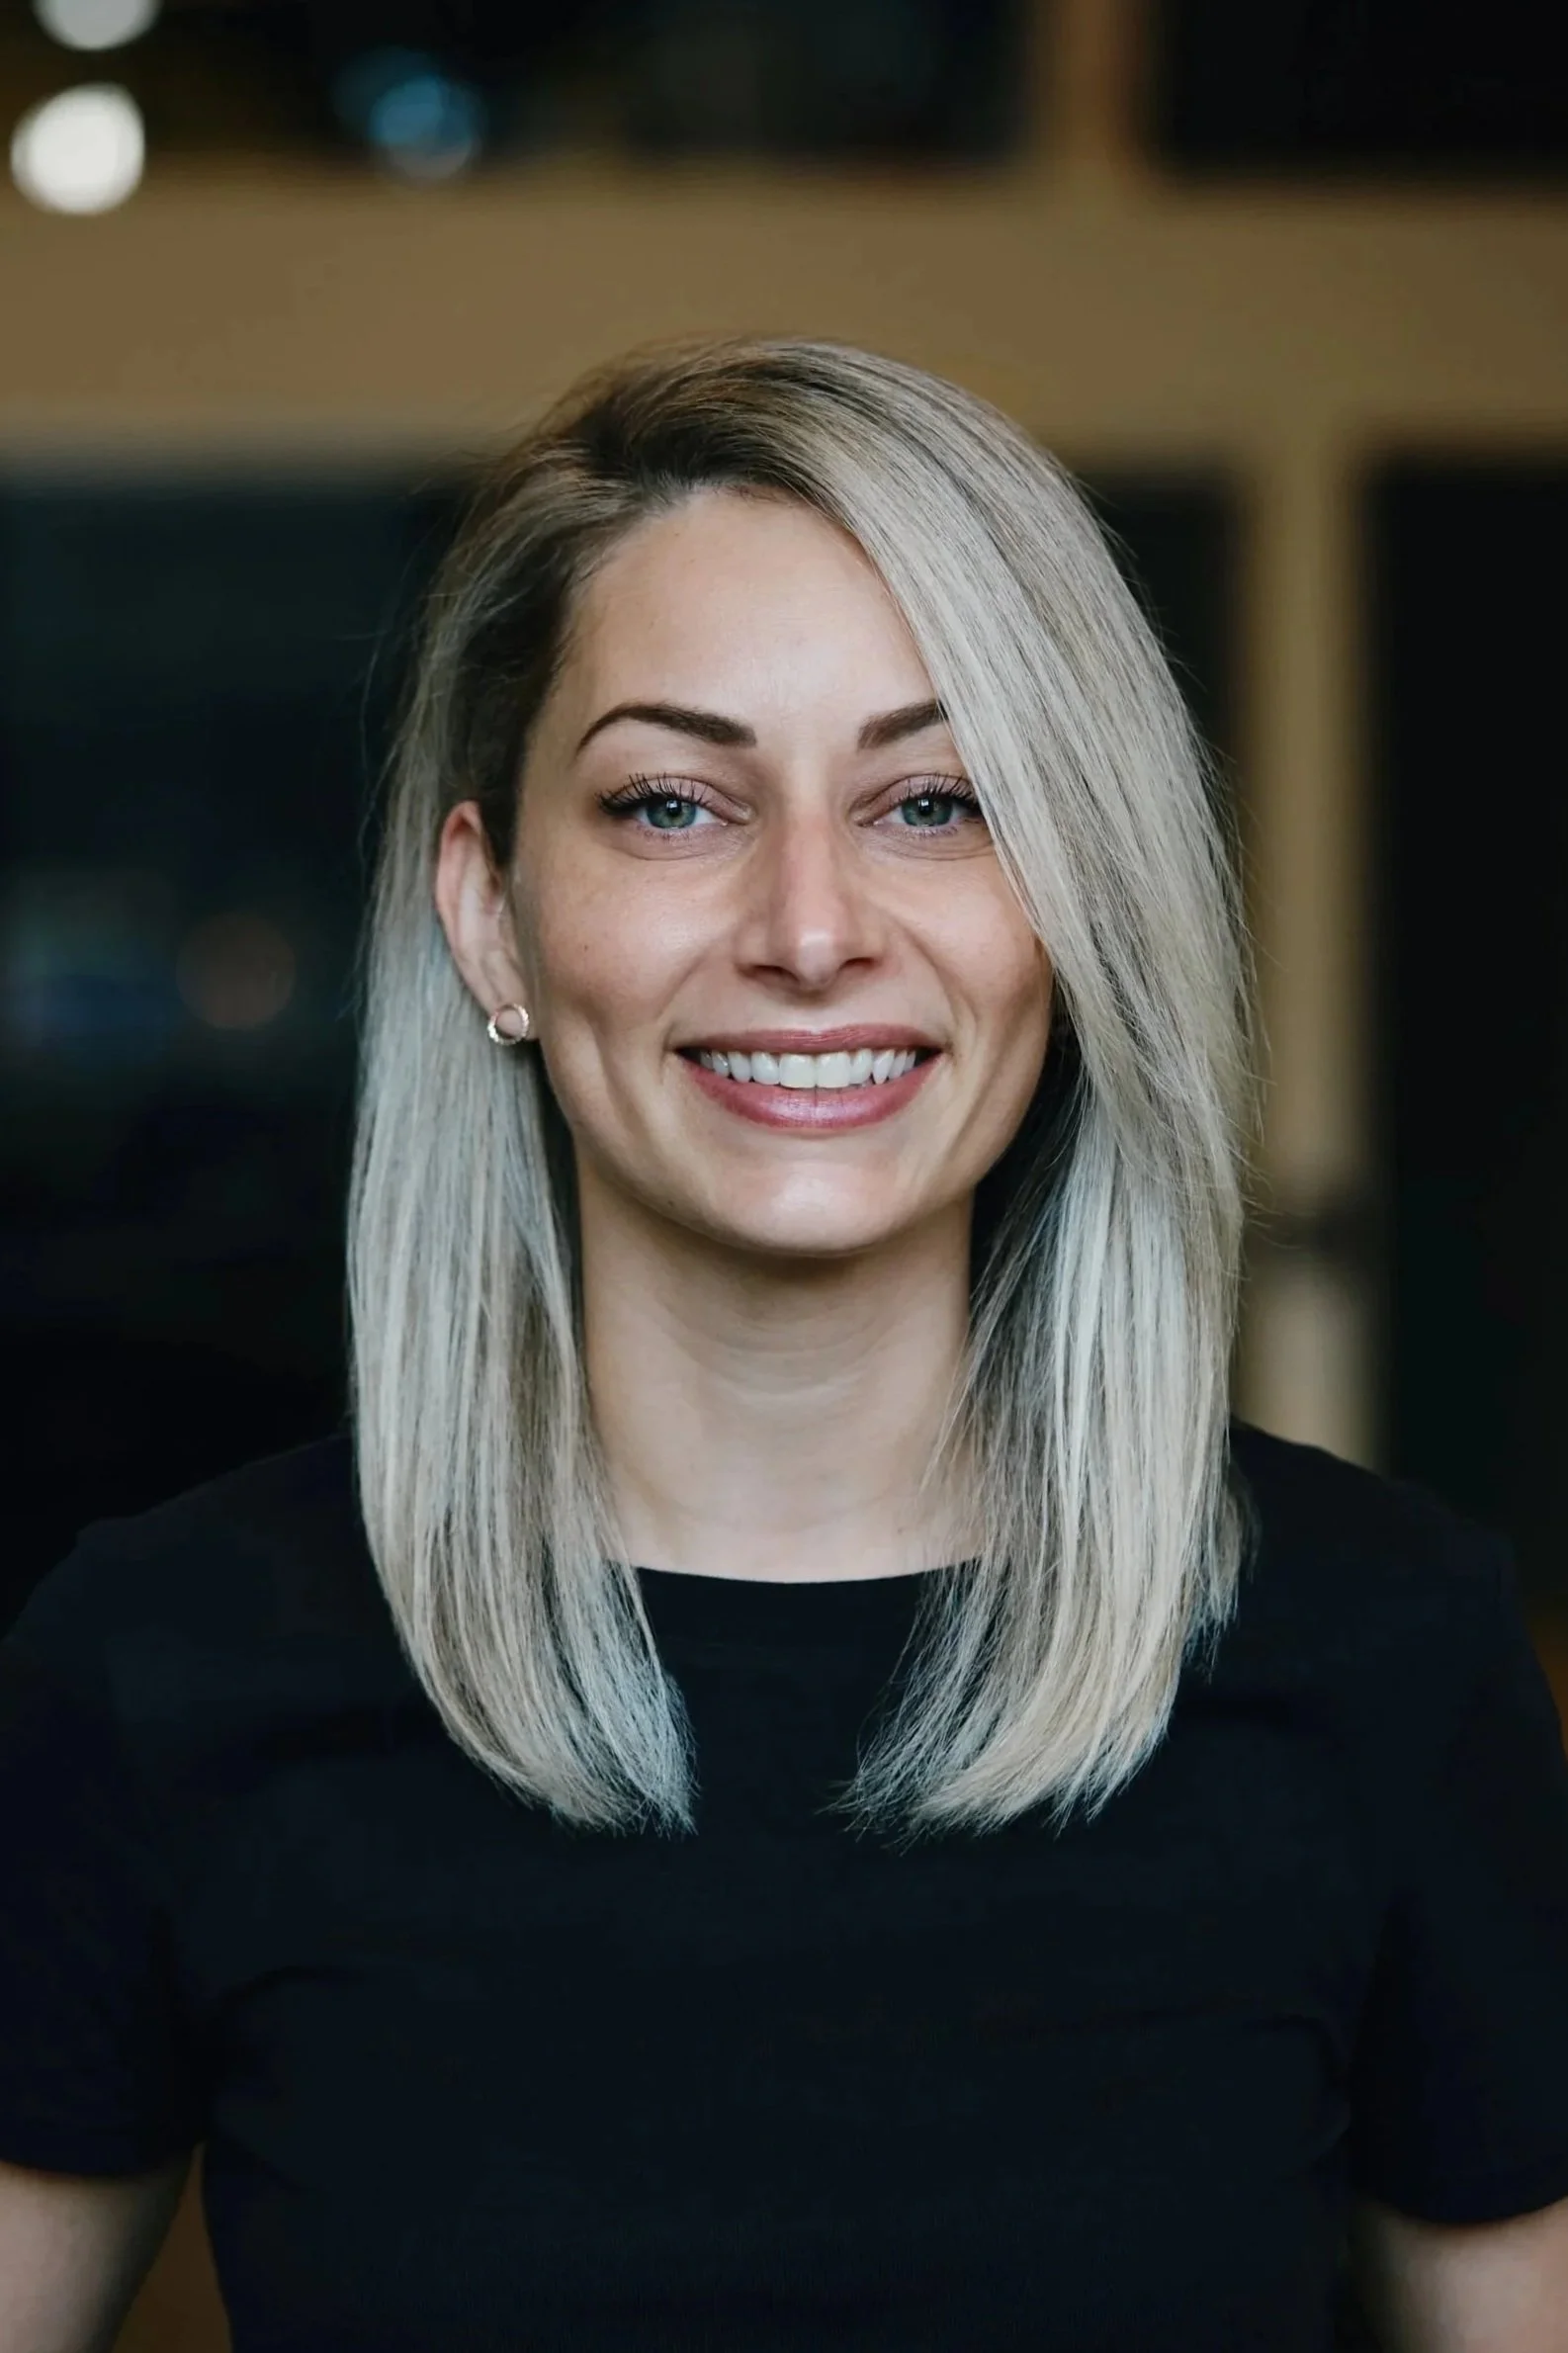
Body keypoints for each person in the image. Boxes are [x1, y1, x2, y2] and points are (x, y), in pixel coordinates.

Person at [1, 338, 1566, 2353]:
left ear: (1070, 906)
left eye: (932, 800)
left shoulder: (1383, 1660)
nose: (810, 924)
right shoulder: (164, 1672)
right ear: (489, 917)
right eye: (672, 802)